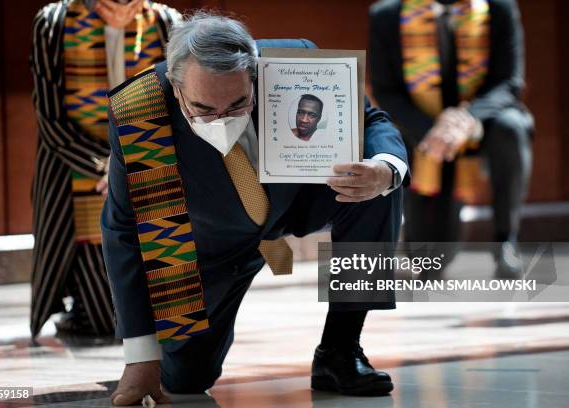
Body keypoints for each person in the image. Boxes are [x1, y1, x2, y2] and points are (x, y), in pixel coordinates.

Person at [101, 13, 409, 405]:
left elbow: (371, 121)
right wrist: (141, 356)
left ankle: (341, 349)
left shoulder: (297, 66)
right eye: (203, 108)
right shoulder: (139, 110)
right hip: (205, 250)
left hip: (294, 202)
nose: (222, 119)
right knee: (185, 379)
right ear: (176, 88)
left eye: (237, 103)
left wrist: (386, 169)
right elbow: (124, 231)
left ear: (255, 75)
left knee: (378, 184)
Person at [29, 0, 181, 337]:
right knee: (106, 319)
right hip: (79, 169)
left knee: (164, 306)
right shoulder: (53, 22)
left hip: (149, 164)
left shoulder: (164, 21)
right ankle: (80, 305)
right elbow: (50, 118)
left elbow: (178, 103)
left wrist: (132, 161)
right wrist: (106, 165)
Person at [369, 0, 533, 278]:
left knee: (511, 128)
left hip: (483, 122)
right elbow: (386, 90)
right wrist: (435, 130)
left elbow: (509, 81)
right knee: (428, 263)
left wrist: (466, 121)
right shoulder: (387, 15)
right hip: (421, 128)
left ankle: (506, 240)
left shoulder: (498, 8)